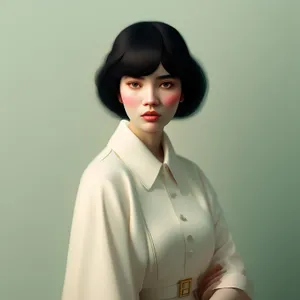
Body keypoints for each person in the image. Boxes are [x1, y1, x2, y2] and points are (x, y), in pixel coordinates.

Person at [61, 21, 252, 300]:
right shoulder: (105, 180)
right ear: (118, 91)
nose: (150, 99)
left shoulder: (193, 176)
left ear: (182, 91)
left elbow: (229, 266)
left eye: (165, 84)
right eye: (135, 84)